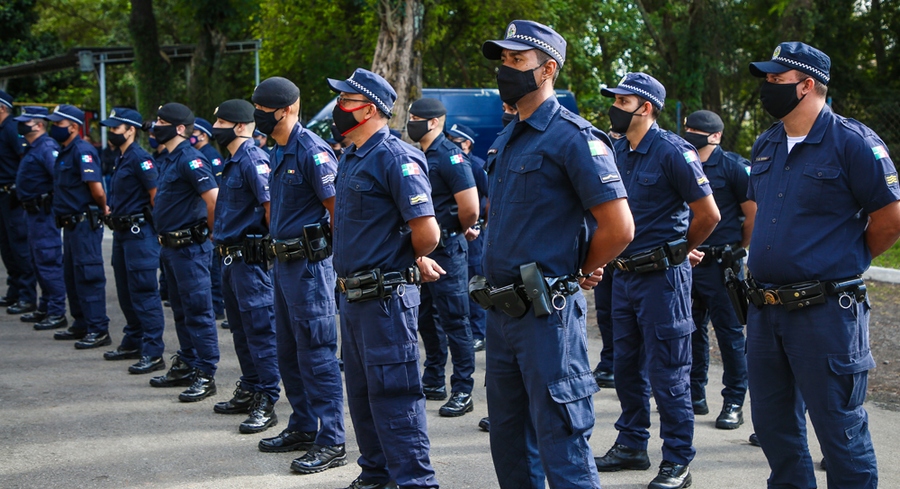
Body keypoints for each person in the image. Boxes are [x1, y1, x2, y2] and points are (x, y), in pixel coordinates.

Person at [480, 20, 634, 489]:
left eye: (517, 60)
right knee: (509, 443)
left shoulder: (573, 136)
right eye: (504, 60)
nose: (506, 69)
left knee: (562, 445)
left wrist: (578, 270)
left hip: (546, 318)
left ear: (547, 69)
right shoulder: (509, 137)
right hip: (500, 314)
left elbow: (619, 227)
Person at [745, 41, 900, 488]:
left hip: (825, 312)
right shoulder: (767, 142)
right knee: (775, 430)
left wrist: (843, 261)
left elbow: (889, 221)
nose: (768, 88)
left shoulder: (852, 142)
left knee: (840, 432)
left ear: (807, 84)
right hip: (765, 309)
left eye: (777, 80)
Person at [595, 72, 720, 489]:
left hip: (662, 280)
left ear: (645, 108)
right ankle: (632, 445)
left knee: (669, 372)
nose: (614, 106)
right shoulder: (617, 152)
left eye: (622, 101)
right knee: (626, 368)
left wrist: (681, 249)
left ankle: (677, 460)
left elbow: (709, 215)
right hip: (623, 277)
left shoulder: (673, 151)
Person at [328, 67, 440, 489]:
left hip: (384, 299)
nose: (338, 110)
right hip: (353, 298)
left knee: (395, 397)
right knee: (362, 396)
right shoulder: (352, 155)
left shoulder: (395, 155)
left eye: (345, 102)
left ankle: (415, 481)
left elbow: (427, 233)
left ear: (369, 109)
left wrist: (400, 260)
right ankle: (376, 473)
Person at [251, 77, 347, 474]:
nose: (257, 113)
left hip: (309, 269)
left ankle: (333, 439)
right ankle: (304, 425)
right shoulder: (276, 150)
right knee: (288, 352)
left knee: (317, 352)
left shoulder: (312, 150)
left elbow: (338, 210)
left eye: (263, 107)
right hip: (283, 266)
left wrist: (336, 262)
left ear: (287, 108)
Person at [208, 99, 282, 434]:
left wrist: (268, 249)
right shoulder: (232, 161)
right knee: (240, 331)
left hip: (249, 261)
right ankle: (251, 386)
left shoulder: (254, 159)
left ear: (240, 126)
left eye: (222, 122)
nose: (216, 128)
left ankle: (267, 397)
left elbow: (270, 207)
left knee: (260, 331)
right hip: (229, 258)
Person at [682, 109, 755, 429]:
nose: (689, 133)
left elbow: (752, 214)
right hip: (690, 261)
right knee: (691, 330)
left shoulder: (733, 167)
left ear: (715, 136)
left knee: (729, 335)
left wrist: (739, 249)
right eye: (686, 128)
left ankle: (734, 401)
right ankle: (695, 393)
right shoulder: (683, 161)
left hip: (723, 264)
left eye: (696, 129)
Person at [408, 98, 479, 418]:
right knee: (425, 317)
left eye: (416, 118)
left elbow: (471, 208)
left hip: (448, 248)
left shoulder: (450, 155)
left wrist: (456, 231)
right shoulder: (415, 154)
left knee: (455, 319)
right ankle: (434, 377)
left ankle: (463, 388)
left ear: (434, 122)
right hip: (419, 251)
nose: (411, 122)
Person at [148, 103, 220, 402]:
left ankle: (206, 372)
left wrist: (212, 235)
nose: (155, 125)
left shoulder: (191, 160)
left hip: (191, 247)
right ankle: (188, 362)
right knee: (181, 311)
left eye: (162, 121)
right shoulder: (168, 157)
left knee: (199, 311)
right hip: (171, 247)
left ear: (179, 128)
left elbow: (213, 199)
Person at [98, 108, 167, 374]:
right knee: (126, 291)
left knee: (144, 293)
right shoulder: (121, 157)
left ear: (130, 130)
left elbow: (155, 196)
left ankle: (152, 351)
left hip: (140, 234)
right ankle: (133, 340)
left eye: (116, 128)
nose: (111, 133)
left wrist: (158, 231)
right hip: (122, 234)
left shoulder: (140, 159)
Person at [45, 105, 112, 349]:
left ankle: (98, 328)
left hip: (84, 223)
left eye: (59, 124)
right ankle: (81, 323)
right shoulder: (66, 150)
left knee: (88, 275)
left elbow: (97, 189)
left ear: (73, 126)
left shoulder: (82, 151)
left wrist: (103, 207)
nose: (54, 128)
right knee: (72, 276)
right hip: (70, 225)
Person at [13, 107, 67, 331]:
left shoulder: (46, 147)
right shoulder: (32, 147)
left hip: (44, 214)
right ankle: (45, 306)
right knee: (37, 261)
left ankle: (56, 311)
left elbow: (59, 178)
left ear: (39, 125)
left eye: (27, 121)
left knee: (48, 261)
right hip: (33, 214)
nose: (22, 125)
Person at [446, 122, 488, 354]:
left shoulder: (476, 166)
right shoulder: (449, 163)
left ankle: (479, 333)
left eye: (455, 140)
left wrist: (481, 224)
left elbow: (490, 197)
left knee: (474, 281)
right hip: (454, 232)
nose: (450, 144)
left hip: (474, 234)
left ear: (467, 144)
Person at [0, 90, 37, 315]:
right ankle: (14, 290)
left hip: (12, 195)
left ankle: (27, 295)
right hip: (2, 196)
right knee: (6, 246)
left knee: (19, 246)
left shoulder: (12, 129)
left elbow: (24, 160)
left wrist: (19, 188)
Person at [193, 116, 226, 324]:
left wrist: (213, 225)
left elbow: (216, 192)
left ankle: (216, 305)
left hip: (212, 217)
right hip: (205, 216)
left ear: (203, 135)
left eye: (194, 133)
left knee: (213, 267)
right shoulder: (199, 154)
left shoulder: (210, 155)